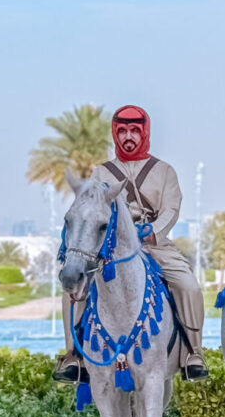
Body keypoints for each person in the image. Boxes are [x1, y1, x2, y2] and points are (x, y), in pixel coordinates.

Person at [55, 104, 208, 383]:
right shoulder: (102, 172)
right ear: (115, 134)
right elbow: (91, 209)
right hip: (114, 250)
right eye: (122, 131)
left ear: (144, 133)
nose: (128, 136)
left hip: (155, 246)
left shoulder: (165, 172)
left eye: (134, 131)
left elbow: (172, 209)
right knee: (74, 289)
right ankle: (73, 356)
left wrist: (154, 230)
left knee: (189, 286)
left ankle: (192, 353)